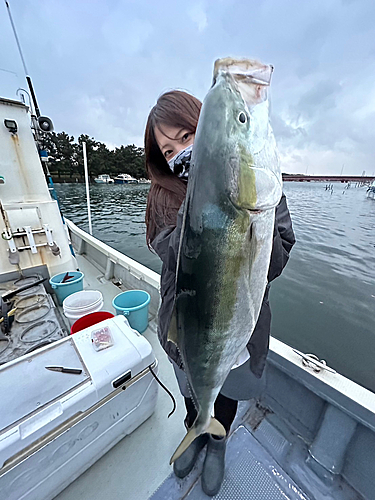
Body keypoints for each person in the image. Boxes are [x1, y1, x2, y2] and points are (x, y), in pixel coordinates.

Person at [144, 90, 295, 496]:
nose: (180, 152)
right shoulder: (161, 198)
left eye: (187, 136)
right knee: (192, 388)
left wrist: (251, 216)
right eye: (169, 149)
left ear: (208, 129)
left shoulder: (258, 186)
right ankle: (195, 427)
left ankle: (217, 443)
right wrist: (203, 198)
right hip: (184, 327)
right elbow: (171, 253)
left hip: (236, 321)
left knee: (225, 391)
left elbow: (277, 260)